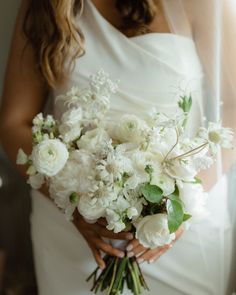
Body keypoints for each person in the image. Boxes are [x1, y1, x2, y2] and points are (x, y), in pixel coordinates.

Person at [0, 0, 235, 294]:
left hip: (181, 234)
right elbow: (14, 122)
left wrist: (179, 210)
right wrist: (71, 202)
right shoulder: (46, 6)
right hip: (71, 232)